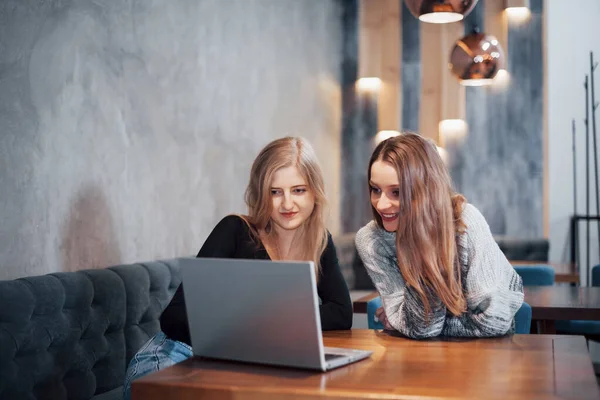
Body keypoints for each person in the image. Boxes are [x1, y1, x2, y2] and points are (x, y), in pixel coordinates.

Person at [123, 137, 352, 399]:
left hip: (236, 364)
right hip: (174, 356)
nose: (287, 204)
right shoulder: (235, 230)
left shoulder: (319, 242)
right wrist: (262, 327)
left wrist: (265, 324)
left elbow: (342, 313)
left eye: (298, 190)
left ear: (315, 192)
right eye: (275, 192)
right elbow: (173, 316)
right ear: (261, 194)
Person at [355, 132, 523, 339]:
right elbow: (421, 327)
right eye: (375, 189)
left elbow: (493, 322)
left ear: (426, 190)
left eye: (397, 192)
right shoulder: (372, 240)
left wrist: (404, 322)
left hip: (486, 357)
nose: (381, 204)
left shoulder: (465, 222)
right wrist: (409, 321)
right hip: (419, 358)